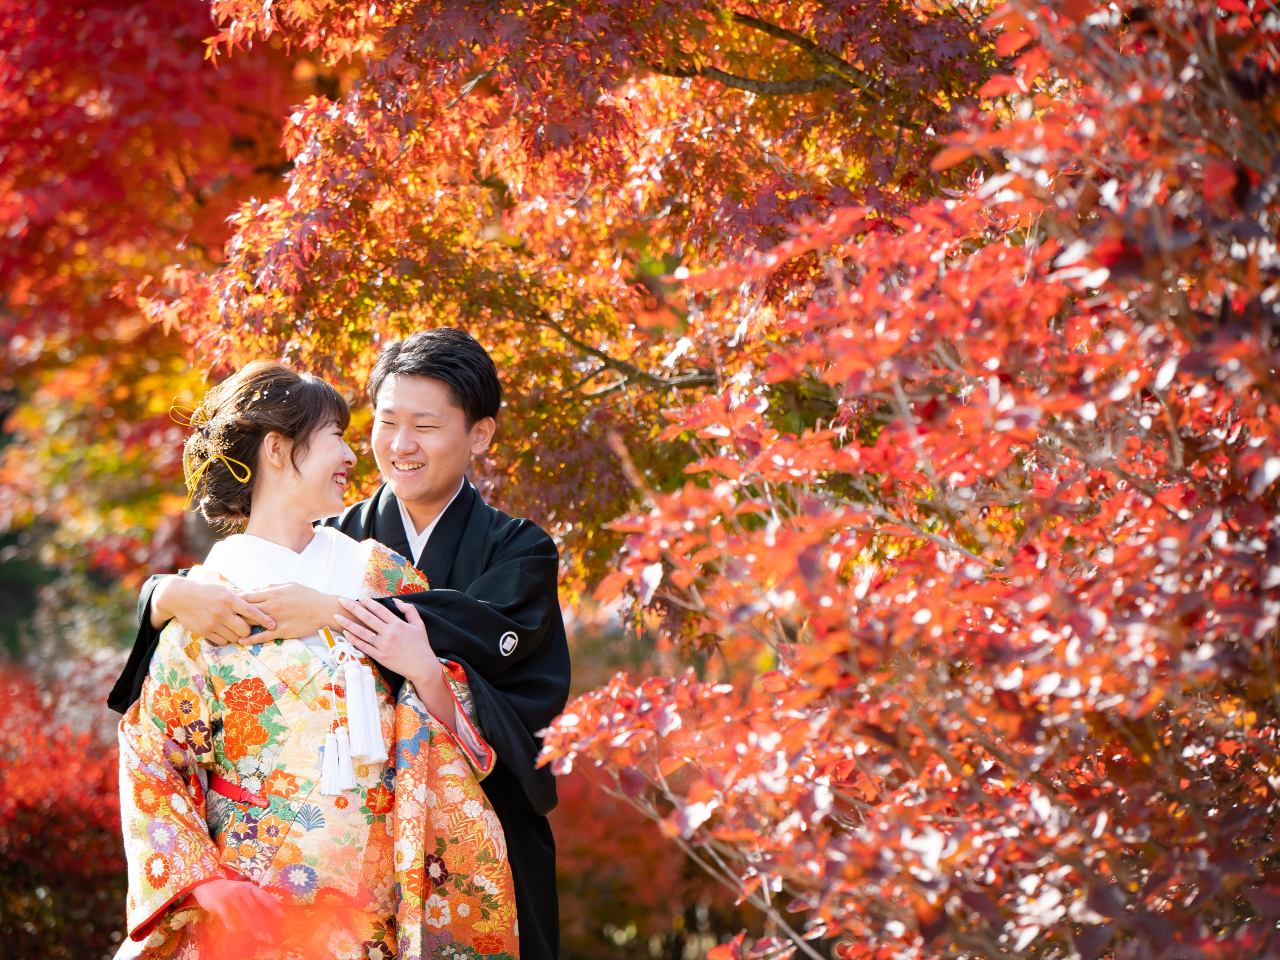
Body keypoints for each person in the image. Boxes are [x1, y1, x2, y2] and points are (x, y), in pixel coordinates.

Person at [110, 331, 571, 960]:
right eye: (384, 423)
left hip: (437, 859)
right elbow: (154, 742)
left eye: (426, 426)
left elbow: (474, 645)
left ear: (479, 435)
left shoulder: (485, 554)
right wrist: (162, 595)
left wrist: (336, 614)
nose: (394, 447)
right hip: (265, 882)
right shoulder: (327, 533)